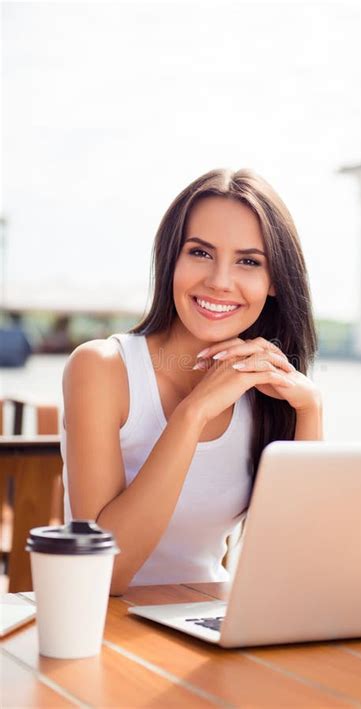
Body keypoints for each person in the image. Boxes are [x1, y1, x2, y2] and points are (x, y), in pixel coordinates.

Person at [61, 168, 323, 596]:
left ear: (274, 282)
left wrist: (310, 410)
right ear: (171, 261)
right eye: (200, 253)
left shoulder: (266, 390)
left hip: (210, 623)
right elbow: (102, 575)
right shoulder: (102, 368)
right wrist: (193, 413)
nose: (219, 281)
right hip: (107, 627)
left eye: (248, 261)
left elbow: (295, 565)